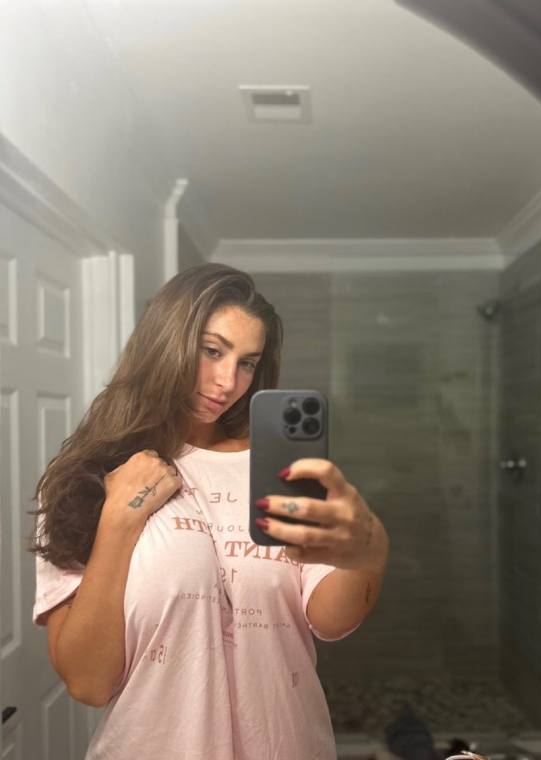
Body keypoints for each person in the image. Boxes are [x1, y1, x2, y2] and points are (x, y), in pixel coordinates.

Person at [30, 263, 390, 760]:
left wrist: (369, 553)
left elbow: (329, 621)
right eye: (212, 351)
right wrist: (119, 519)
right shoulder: (84, 478)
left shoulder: (280, 469)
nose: (228, 381)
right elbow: (88, 682)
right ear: (166, 342)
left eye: (247, 363)